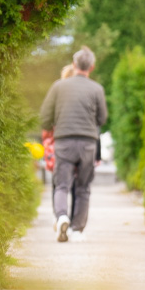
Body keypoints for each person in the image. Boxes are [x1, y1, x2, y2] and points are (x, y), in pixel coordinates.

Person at [40, 47, 107, 243]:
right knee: (83, 187)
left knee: (62, 184)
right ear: (91, 67)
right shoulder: (97, 89)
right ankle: (77, 229)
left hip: (64, 141)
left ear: (74, 64)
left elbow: (45, 117)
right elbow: (101, 118)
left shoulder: (58, 87)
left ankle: (61, 217)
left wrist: (56, 124)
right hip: (87, 143)